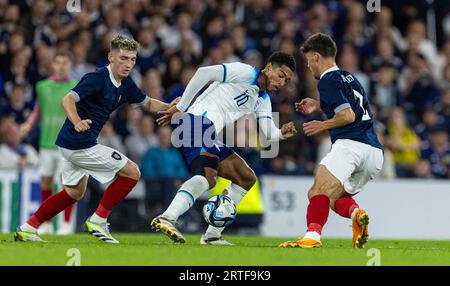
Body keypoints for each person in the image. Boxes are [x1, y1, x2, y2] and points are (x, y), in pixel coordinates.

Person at [14, 35, 176, 243]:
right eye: (124, 58)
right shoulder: (98, 78)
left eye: (133, 59)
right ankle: (98, 220)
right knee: (132, 172)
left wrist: (172, 107)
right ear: (111, 57)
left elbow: (149, 103)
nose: (128, 64)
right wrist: (77, 121)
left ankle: (28, 227)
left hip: (70, 144)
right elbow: (68, 99)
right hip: (79, 143)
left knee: (74, 192)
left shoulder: (126, 84)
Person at [151, 51, 297, 245]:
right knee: (206, 176)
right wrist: (182, 106)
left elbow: (268, 133)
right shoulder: (245, 72)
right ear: (269, 68)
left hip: (209, 131)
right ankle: (167, 218)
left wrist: (281, 133)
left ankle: (212, 235)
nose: (281, 83)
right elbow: (204, 73)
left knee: (246, 177)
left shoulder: (263, 100)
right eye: (280, 75)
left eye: (286, 80)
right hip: (197, 120)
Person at [279, 33, 383, 249]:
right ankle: (357, 214)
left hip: (350, 146)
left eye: (308, 61)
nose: (308, 66)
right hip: (373, 153)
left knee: (317, 192)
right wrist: (319, 105)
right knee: (333, 197)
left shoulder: (327, 80)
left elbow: (347, 116)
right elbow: (353, 108)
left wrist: (321, 124)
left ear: (316, 56)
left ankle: (312, 237)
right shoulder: (348, 77)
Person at [19, 51, 78, 235]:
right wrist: (28, 125)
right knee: (46, 182)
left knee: (67, 185)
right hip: (46, 143)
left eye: (65, 62)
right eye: (58, 62)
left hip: (67, 145)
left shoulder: (76, 86)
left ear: (70, 65)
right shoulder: (42, 87)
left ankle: (66, 224)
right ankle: (46, 223)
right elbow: (38, 110)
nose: (61, 65)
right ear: (52, 65)